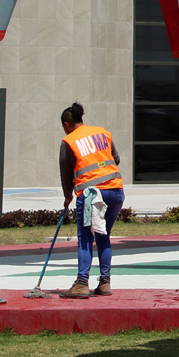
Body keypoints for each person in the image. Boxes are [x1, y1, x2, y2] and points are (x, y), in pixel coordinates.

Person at [58, 102, 124, 299]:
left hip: (91, 195)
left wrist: (67, 196)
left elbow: (65, 173)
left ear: (66, 124)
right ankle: (105, 282)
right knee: (103, 236)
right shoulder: (102, 133)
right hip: (116, 190)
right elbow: (116, 159)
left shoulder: (69, 141)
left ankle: (81, 283)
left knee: (85, 239)